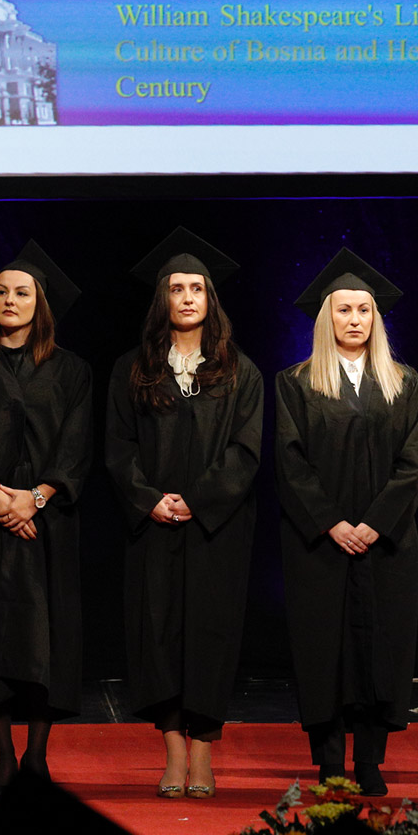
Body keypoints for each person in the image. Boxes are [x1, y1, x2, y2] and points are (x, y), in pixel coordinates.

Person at [105, 227, 263, 799]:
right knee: (158, 636)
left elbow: (245, 452)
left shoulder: (240, 371)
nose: (188, 297)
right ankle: (173, 752)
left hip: (216, 529)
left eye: (197, 288)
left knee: (210, 636)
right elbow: (118, 448)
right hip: (153, 525)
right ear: (163, 298)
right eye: (177, 288)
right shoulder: (132, 369)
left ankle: (203, 753)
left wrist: (197, 500)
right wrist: (150, 499)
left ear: (210, 298)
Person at [0, 241, 93, 796]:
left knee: (50, 633)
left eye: (21, 292)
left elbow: (76, 445)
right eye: (1, 292)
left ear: (40, 302)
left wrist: (37, 498)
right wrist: (2, 500)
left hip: (50, 522)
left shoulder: (72, 372)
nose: (9, 300)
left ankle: (37, 756)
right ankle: (3, 754)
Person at [275, 248, 418, 796]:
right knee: (324, 651)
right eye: (344, 309)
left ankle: (370, 761)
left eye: (364, 310)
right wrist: (331, 523)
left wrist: (375, 524)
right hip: (320, 545)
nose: (355, 319)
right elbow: (290, 462)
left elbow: (414, 462)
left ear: (376, 318)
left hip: (387, 543)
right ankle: (329, 762)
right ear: (327, 318)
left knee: (380, 650)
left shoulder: (404, 383)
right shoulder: (296, 383)